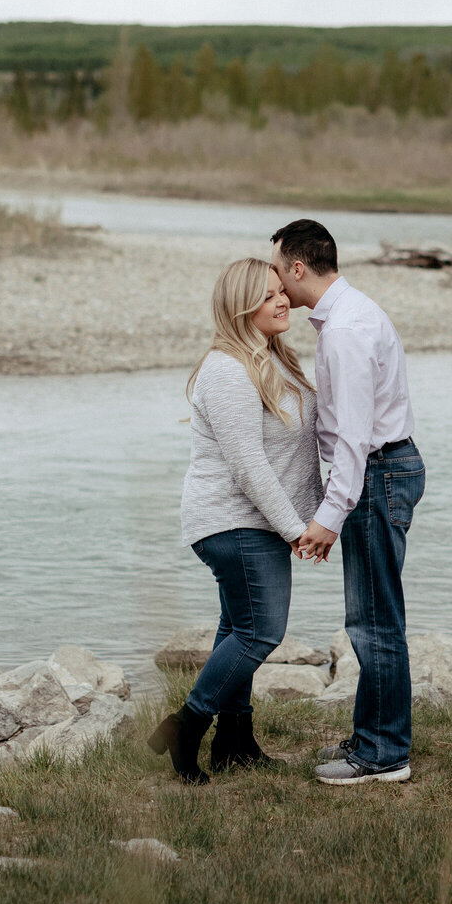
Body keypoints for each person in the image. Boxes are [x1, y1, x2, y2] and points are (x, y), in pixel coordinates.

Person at [148, 257, 321, 784]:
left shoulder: (278, 359)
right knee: (261, 632)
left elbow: (300, 454)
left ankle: (235, 742)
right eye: (268, 295)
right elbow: (248, 465)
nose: (282, 299)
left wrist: (320, 514)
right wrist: (296, 529)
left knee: (236, 628)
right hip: (233, 522)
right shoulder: (227, 369)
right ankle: (188, 725)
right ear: (241, 306)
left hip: (256, 522)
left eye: (281, 291)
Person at [271, 218, 424, 786]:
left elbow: (355, 438)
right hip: (383, 470)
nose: (275, 283)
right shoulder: (349, 314)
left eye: (277, 269)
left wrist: (328, 518)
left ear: (298, 267)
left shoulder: (344, 331)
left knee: (375, 621)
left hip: (378, 474)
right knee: (374, 615)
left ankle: (384, 754)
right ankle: (376, 735)